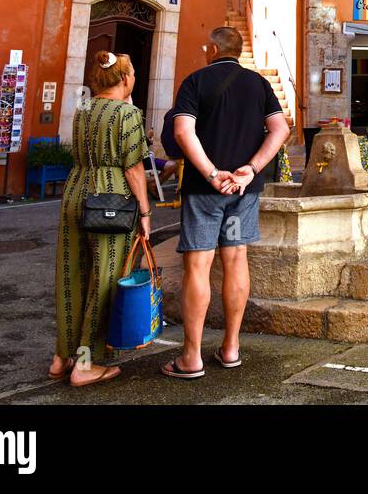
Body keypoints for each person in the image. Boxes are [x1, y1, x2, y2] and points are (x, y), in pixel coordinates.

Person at [164, 27, 289, 379]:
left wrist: (211, 173)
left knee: (198, 267)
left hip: (205, 191)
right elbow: (280, 130)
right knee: (236, 260)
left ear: (214, 49)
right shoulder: (259, 84)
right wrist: (249, 170)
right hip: (243, 191)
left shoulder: (195, 81)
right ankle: (231, 348)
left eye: (208, 46)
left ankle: (191, 358)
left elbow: (181, 132)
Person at [50, 51, 152, 387]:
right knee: (104, 279)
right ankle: (85, 362)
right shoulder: (129, 113)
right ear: (125, 79)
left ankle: (62, 357)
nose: (134, 77)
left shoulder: (83, 109)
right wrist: (146, 212)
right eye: (132, 73)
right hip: (112, 199)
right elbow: (134, 167)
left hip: (76, 193)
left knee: (72, 275)